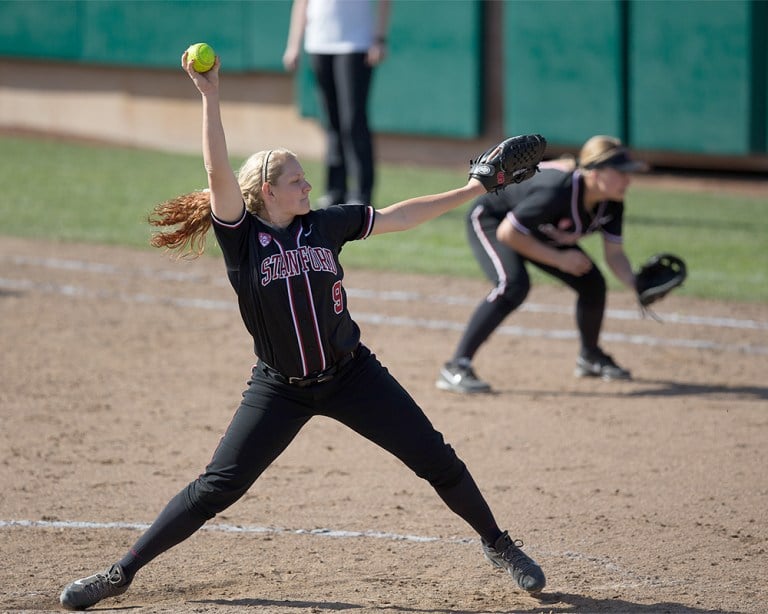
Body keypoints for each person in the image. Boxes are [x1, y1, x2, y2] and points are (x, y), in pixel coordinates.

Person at [58, 51, 545, 611]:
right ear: (267, 192)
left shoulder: (325, 225)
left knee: (434, 457)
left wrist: (475, 188)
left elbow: (400, 216)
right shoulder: (242, 239)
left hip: (351, 374)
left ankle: (500, 545)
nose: (307, 184)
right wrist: (209, 96)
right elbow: (218, 172)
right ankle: (120, 574)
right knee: (218, 487)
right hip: (281, 387)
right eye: (295, 180)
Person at [436, 135, 649, 394]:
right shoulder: (557, 190)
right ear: (594, 172)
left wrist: (636, 283)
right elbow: (508, 233)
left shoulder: (612, 203)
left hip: (536, 227)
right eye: (620, 172)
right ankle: (456, 366)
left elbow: (614, 255)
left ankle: (590, 357)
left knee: (592, 282)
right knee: (513, 285)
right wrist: (559, 259)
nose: (628, 179)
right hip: (494, 220)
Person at [283, 0, 390, 208]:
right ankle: (335, 190)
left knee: (353, 120)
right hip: (318, 43)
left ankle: (361, 193)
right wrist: (293, 45)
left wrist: (379, 38)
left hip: (356, 44)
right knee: (331, 122)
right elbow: (301, 3)